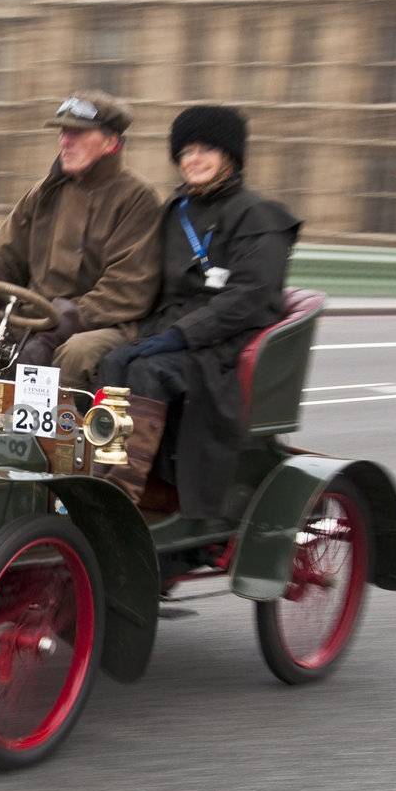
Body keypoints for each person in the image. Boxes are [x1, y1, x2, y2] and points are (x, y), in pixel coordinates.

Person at [95, 105, 300, 520]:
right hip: (171, 330)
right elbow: (145, 276)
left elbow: (250, 296)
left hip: (223, 345)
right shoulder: (176, 211)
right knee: (110, 361)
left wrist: (179, 335)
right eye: (186, 151)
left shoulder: (258, 216)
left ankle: (131, 498)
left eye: (207, 149)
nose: (195, 159)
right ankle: (110, 475)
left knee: (147, 372)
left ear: (230, 156)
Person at [0, 90, 162, 390]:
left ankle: (69, 432)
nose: (64, 141)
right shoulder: (43, 192)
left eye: (77, 134)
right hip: (31, 318)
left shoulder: (137, 198)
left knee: (76, 355)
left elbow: (126, 288)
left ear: (111, 143)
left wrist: (57, 330)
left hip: (97, 323)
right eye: (63, 133)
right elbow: (4, 255)